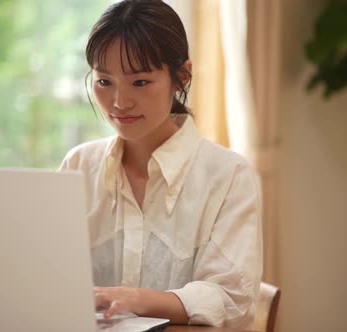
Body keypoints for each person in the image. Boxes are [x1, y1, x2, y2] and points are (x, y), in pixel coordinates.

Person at [59, 0, 263, 328]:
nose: (119, 102)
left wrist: (135, 299)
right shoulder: (79, 165)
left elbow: (233, 300)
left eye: (139, 82)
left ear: (181, 77)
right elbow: (51, 276)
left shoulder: (229, 176)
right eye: (104, 81)